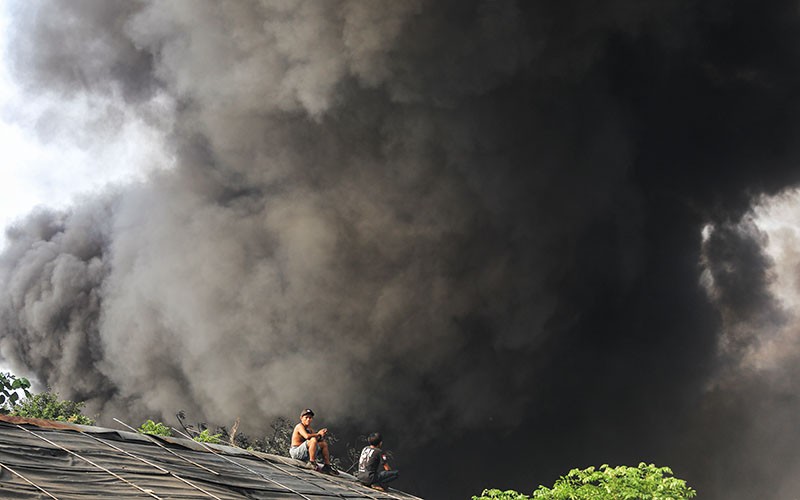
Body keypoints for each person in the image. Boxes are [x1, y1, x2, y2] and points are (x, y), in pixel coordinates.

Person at [289, 408, 337, 474]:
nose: (308, 419)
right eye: (306, 417)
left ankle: (327, 466)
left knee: (323, 444)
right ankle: (311, 462)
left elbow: (316, 440)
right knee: (313, 440)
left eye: (310, 418)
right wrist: (318, 434)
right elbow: (307, 436)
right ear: (301, 418)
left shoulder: (310, 429)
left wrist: (321, 436)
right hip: (296, 451)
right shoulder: (299, 426)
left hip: (305, 453)